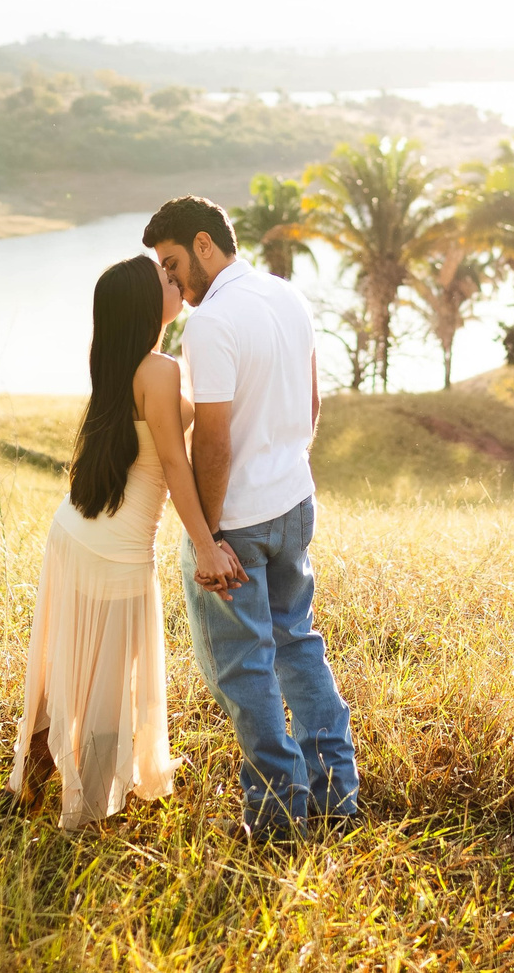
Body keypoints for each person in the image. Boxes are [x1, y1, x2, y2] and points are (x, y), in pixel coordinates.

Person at [147, 194, 359, 836]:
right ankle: (333, 793)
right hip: (296, 502)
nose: (173, 283)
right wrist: (289, 465)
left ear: (205, 245)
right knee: (298, 643)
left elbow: (211, 443)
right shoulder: (287, 295)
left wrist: (208, 534)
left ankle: (274, 811)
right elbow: (313, 400)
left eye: (173, 263)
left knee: (244, 668)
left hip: (237, 521)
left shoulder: (210, 323)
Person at [7, 253, 236, 828]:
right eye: (165, 277)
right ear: (142, 304)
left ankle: (36, 777)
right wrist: (206, 544)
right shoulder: (156, 371)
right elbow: (176, 468)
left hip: (77, 532)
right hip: (115, 550)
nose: (175, 279)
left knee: (69, 663)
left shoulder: (123, 365)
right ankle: (89, 808)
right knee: (110, 675)